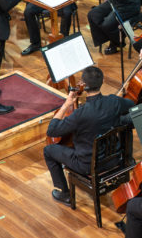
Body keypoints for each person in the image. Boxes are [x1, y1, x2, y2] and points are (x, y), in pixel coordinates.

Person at [43, 66, 134, 205]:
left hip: (87, 165)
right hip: (114, 159)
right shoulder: (113, 101)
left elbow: (52, 130)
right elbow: (131, 104)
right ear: (102, 81)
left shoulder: (80, 114)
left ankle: (65, 194)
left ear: (83, 85)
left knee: (48, 150)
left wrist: (67, 104)